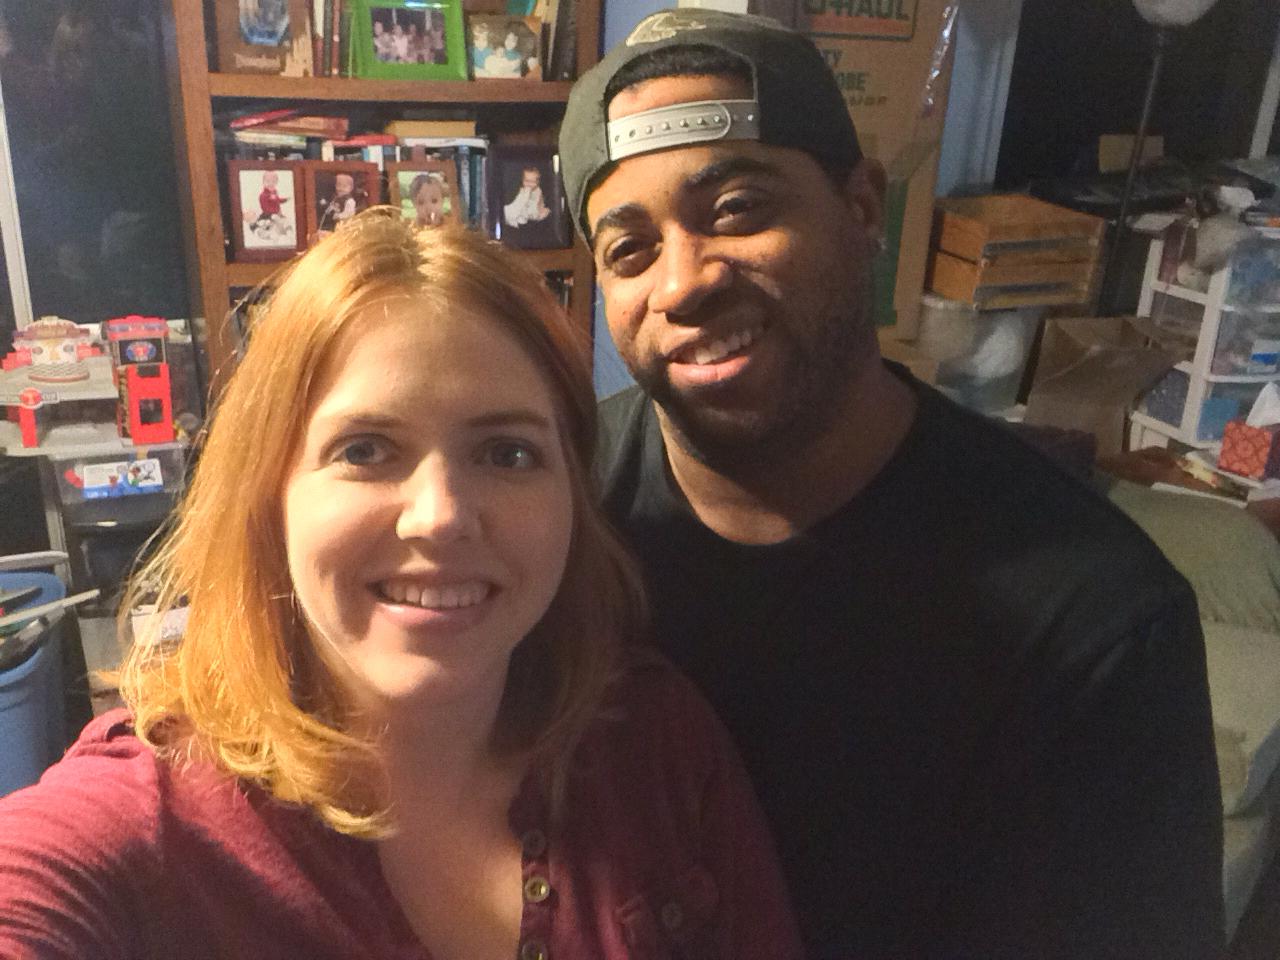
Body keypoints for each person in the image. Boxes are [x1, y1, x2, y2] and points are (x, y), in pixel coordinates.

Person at [559, 9, 1224, 960]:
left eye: (738, 209)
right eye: (630, 250)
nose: (683, 283)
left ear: (863, 207)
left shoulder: (1094, 622)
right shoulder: (553, 521)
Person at [0, 210, 803, 960]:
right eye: (365, 450)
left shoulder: (656, 747)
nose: (441, 517)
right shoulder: (144, 824)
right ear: (268, 492)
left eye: (508, 453)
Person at [503, 165, 551, 230]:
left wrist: (539, 211)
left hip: (533, 211)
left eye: (533, 182)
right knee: (512, 213)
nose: (529, 184)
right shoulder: (522, 190)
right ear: (522, 180)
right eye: (527, 181)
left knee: (545, 211)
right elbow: (518, 203)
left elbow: (539, 202)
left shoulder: (538, 191)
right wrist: (526, 195)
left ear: (538, 182)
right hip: (521, 210)